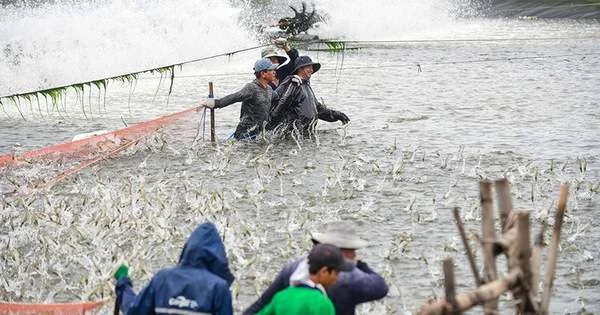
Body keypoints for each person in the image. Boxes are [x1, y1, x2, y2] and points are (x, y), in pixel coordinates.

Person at [244, 221, 389, 315]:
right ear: (343, 250)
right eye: (353, 250)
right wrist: (360, 264)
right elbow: (381, 287)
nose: (355, 254)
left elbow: (261, 304)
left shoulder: (292, 269)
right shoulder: (351, 277)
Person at [114, 222, 234, 315]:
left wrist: (123, 283)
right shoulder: (219, 287)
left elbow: (133, 311)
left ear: (187, 249)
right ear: (218, 255)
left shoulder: (163, 279)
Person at [256, 243, 354, 315]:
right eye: (336, 273)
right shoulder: (322, 303)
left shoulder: (281, 297)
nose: (336, 278)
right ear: (324, 271)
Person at [268, 55, 350, 135]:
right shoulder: (293, 83)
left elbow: (318, 109)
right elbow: (282, 104)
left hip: (307, 133)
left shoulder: (306, 85)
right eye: (309, 67)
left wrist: (337, 115)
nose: (311, 70)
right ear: (300, 69)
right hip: (294, 134)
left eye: (312, 68)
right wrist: (271, 125)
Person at [202, 58, 279, 140]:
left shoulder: (269, 89)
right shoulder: (252, 88)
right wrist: (216, 103)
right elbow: (235, 97)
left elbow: (277, 99)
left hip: (259, 132)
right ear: (263, 73)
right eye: (271, 70)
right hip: (245, 131)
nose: (274, 72)